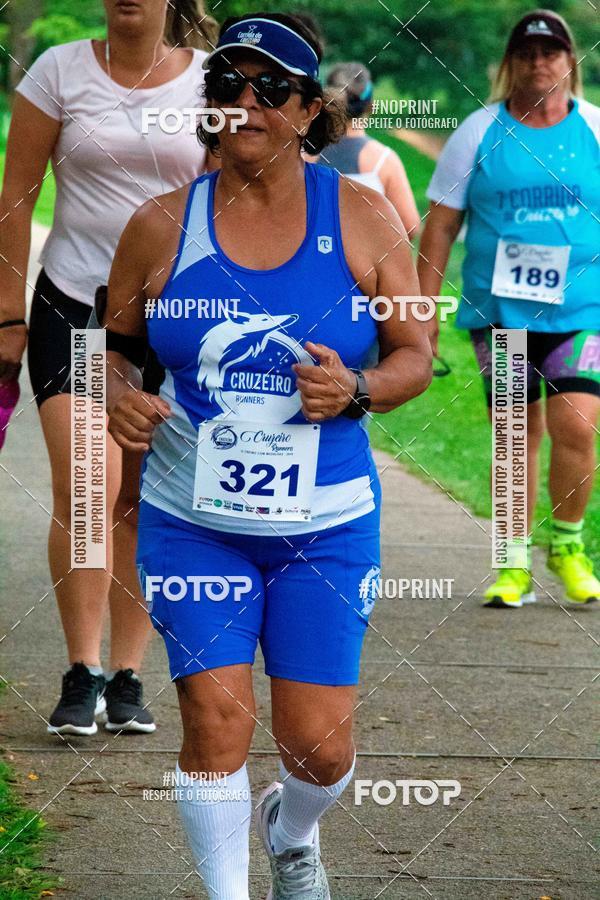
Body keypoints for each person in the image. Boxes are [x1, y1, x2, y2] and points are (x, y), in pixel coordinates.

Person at [104, 12, 432, 898]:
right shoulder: (159, 224)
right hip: (192, 523)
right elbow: (113, 346)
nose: (245, 103)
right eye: (226, 86)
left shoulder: (362, 217)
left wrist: (357, 391)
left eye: (270, 89)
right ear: (205, 104)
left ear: (307, 108)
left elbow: (416, 357)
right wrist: (119, 396)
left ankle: (291, 833)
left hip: (323, 529)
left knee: (320, 750)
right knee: (214, 721)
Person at [0, 0, 217, 735]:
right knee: (91, 480)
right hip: (75, 306)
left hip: (171, 322)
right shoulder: (59, 71)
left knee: (140, 500)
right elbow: (17, 195)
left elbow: (232, 198)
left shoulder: (211, 82)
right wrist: (8, 313)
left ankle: (128, 676)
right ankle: (81, 669)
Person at [419, 9, 600, 608]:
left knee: (578, 422)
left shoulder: (595, 129)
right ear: (510, 63)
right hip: (503, 312)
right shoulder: (478, 130)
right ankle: (512, 561)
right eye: (527, 53)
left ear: (570, 62)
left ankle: (569, 547)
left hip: (582, 309)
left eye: (551, 52)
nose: (539, 62)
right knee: (515, 435)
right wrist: (420, 307)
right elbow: (441, 225)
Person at [320, 62, 421, 238]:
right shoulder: (384, 161)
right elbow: (410, 227)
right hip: (366, 264)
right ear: (371, 106)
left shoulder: (303, 155)